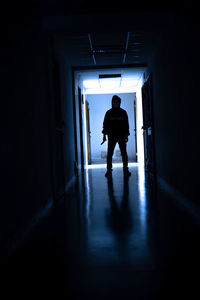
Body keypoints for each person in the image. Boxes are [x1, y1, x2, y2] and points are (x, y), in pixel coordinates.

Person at [102, 95, 131, 177]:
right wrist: (104, 136)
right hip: (111, 136)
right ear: (112, 102)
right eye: (114, 102)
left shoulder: (123, 113)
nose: (115, 103)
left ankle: (125, 169)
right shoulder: (108, 113)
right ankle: (109, 170)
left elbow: (126, 125)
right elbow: (105, 125)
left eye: (117, 102)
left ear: (119, 103)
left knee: (124, 153)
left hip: (121, 136)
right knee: (110, 153)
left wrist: (126, 135)